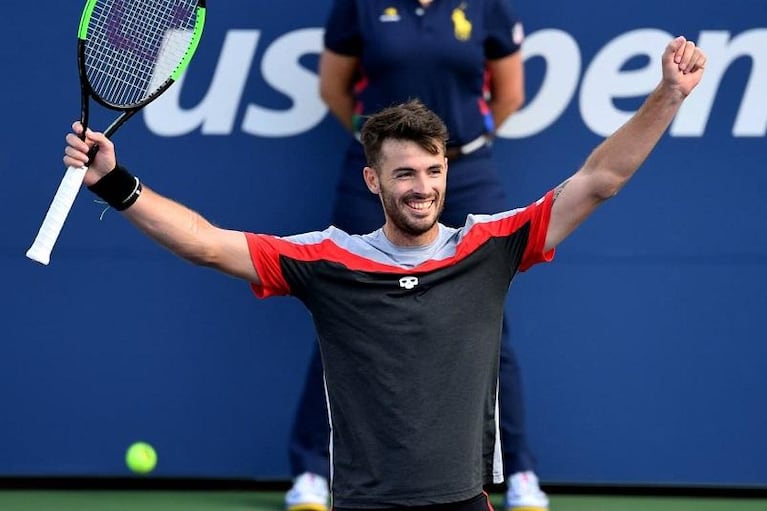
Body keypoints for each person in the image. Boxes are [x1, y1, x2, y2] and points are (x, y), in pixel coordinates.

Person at [62, 35, 706, 511]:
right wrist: (116, 182)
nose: (421, 188)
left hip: (464, 502)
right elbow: (205, 243)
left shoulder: (491, 245)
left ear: (447, 173)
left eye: (432, 171)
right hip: (364, 504)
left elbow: (601, 179)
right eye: (404, 174)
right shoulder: (326, 260)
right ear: (373, 181)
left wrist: (668, 95)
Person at [288, 0, 540, 509]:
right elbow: (333, 88)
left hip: (466, 172)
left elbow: (510, 93)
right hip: (381, 180)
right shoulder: (358, 6)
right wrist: (388, 160)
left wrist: (447, 155)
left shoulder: (484, 6)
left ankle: (518, 471)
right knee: (344, 312)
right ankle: (315, 468)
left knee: (488, 325)